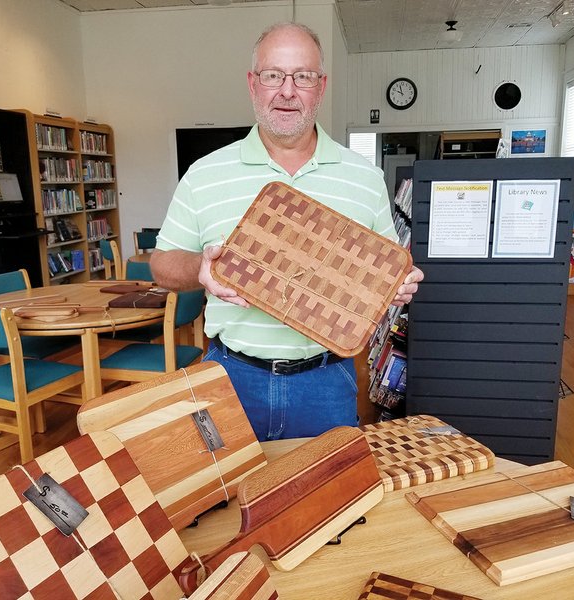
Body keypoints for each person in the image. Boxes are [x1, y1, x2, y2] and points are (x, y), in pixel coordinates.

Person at [150, 21, 423, 441]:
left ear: (322, 85)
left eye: (303, 76)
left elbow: (384, 269)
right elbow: (162, 265)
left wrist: (396, 285)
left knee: (328, 504)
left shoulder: (364, 178)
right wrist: (200, 268)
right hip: (231, 378)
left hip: (326, 383)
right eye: (273, 75)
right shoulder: (204, 175)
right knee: (227, 503)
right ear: (253, 83)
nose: (288, 90)